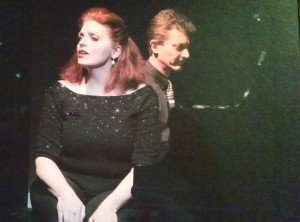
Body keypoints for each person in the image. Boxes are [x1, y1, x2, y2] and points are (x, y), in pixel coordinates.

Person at [30, 7, 161, 222]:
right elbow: (44, 156)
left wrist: (110, 207)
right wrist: (65, 195)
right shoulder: (60, 92)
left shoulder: (143, 97)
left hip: (118, 190)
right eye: (81, 37)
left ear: (116, 51)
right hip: (64, 183)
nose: (82, 43)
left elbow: (144, 165)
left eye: (94, 38)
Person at [131, 9, 197, 221]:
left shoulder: (165, 83)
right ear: (154, 46)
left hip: (155, 171)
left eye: (187, 47)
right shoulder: (140, 85)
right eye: (179, 47)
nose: (186, 54)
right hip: (136, 178)